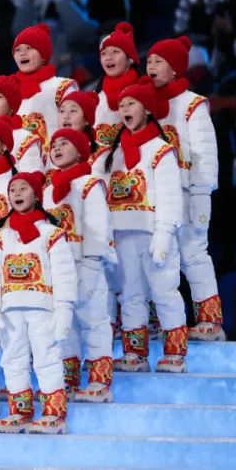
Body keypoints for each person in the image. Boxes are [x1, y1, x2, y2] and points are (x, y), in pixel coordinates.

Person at [94, 78, 188, 374]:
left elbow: (171, 196)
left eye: (130, 103)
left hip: (152, 232)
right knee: (130, 293)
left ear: (147, 109)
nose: (124, 109)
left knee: (164, 289)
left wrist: (164, 233)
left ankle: (175, 352)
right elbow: (100, 190)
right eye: (121, 105)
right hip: (122, 233)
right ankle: (135, 352)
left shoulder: (161, 150)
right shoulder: (114, 153)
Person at [0, 171, 77, 434]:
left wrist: (64, 308)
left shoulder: (51, 234)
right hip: (10, 308)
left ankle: (54, 412)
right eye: (13, 189)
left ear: (36, 195)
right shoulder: (1, 236)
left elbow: (64, 273)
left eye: (23, 188)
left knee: (46, 357)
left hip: (42, 307)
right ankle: (20, 410)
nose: (17, 194)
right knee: (12, 358)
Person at [146, 36, 222, 340]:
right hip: (156, 196)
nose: (151, 65)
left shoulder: (192, 104)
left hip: (190, 193)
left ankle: (210, 320)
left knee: (193, 254)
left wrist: (201, 192)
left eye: (159, 61)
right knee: (157, 256)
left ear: (176, 68)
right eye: (149, 60)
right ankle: (158, 321)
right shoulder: (145, 103)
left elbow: (205, 152)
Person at [44, 128, 116, 402]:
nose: (57, 147)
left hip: (85, 263)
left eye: (65, 143)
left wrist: (92, 264)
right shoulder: (48, 189)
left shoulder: (90, 183)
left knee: (93, 319)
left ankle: (100, 380)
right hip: (58, 267)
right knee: (66, 323)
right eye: (54, 144)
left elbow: (98, 227)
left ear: (81, 150)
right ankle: (68, 376)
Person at [12, 23, 77, 143]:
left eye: (29, 48)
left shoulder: (60, 87)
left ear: (43, 54)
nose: (22, 53)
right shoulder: (8, 88)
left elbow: (74, 129)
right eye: (18, 49)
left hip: (52, 158)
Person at [94, 23, 141, 150]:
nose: (109, 57)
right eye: (104, 53)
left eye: (115, 52)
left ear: (129, 59)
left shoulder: (142, 91)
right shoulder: (96, 94)